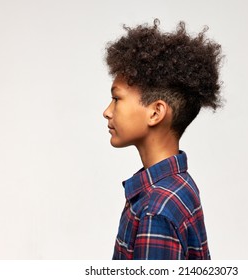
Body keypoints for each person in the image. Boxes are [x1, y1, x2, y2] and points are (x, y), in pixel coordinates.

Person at [102, 19, 223, 260]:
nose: (107, 111)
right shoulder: (179, 186)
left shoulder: (155, 210)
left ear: (155, 112)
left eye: (117, 99)